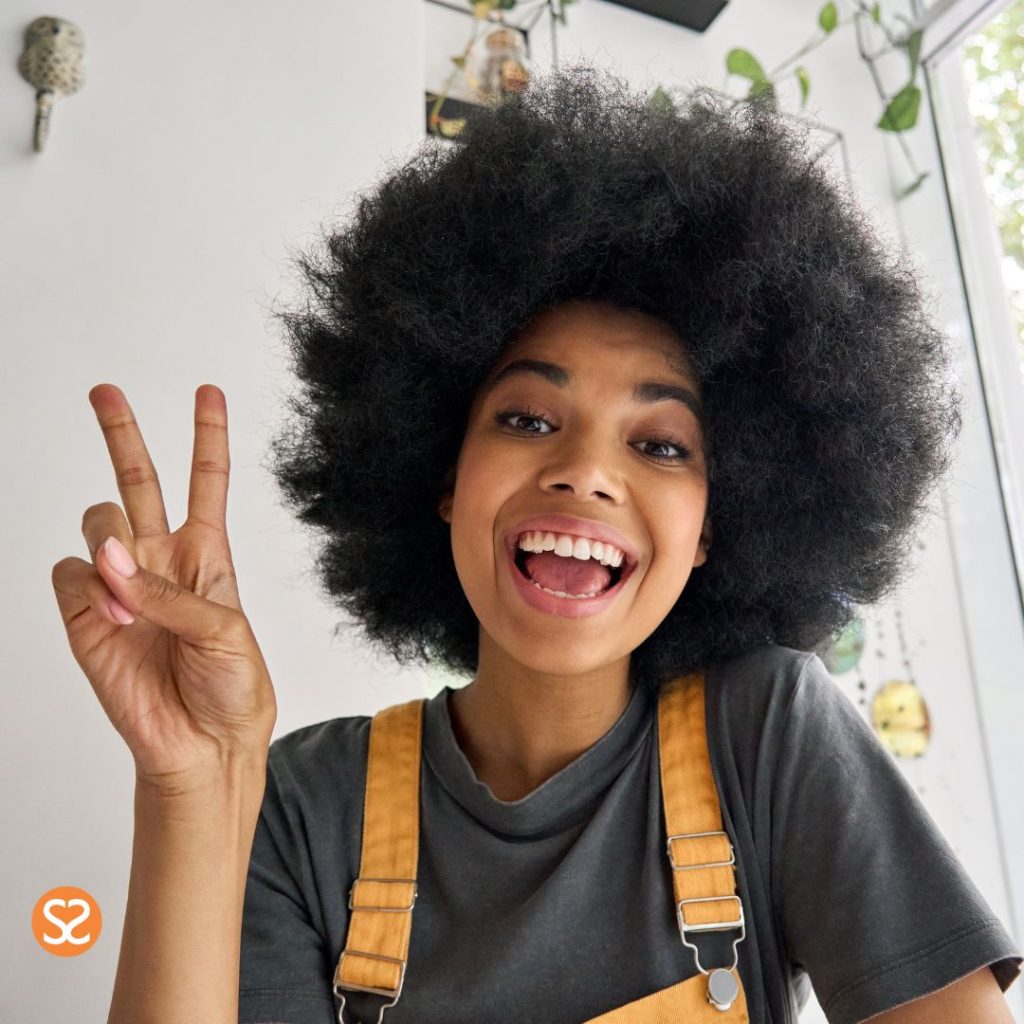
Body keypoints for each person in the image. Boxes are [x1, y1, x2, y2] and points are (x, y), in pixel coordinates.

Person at [52, 66, 1021, 1024]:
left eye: (659, 444)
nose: (587, 471)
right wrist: (190, 781)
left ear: (708, 532)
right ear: (441, 473)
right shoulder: (301, 809)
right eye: (525, 418)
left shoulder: (766, 736)